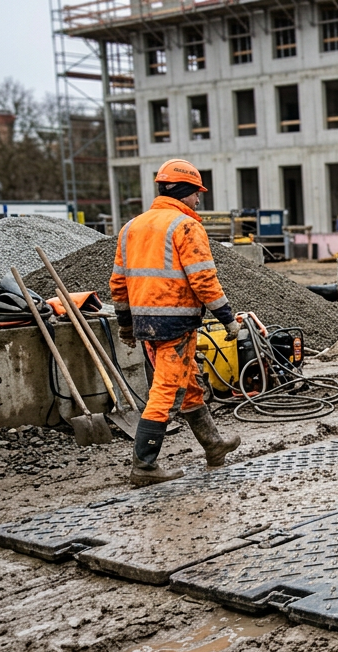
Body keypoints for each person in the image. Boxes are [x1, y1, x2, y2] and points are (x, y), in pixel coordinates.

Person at [111, 159, 242, 487]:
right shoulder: (185, 226)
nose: (198, 200)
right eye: (197, 193)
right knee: (167, 390)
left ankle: (213, 446)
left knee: (189, 384)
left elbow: (118, 282)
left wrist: (126, 326)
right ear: (185, 192)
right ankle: (144, 464)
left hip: (146, 324)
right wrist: (227, 318)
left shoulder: (131, 228)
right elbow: (203, 279)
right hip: (175, 322)